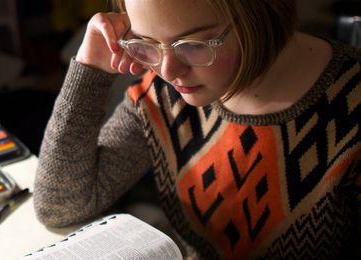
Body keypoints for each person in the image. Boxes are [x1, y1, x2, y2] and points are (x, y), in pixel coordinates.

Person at [34, 0, 361, 258]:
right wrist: (90, 67)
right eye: (146, 43)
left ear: (260, 14)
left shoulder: (351, 108)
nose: (168, 70)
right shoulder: (162, 98)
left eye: (192, 44)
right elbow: (61, 206)